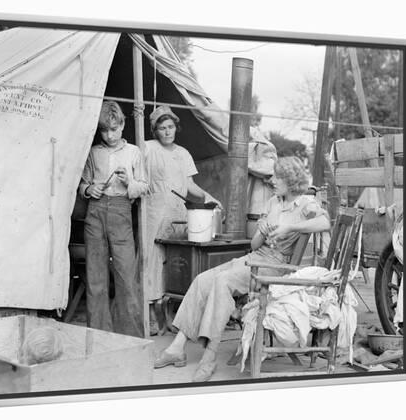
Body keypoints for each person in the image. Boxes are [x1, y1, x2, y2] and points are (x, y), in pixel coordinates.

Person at [153, 156, 331, 382]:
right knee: (202, 279)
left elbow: (325, 223)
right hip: (255, 257)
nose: (272, 180)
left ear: (290, 179)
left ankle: (209, 356)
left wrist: (290, 226)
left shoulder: (306, 204)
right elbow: (255, 245)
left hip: (274, 267)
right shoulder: (274, 202)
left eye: (277, 177)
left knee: (223, 281)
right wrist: (262, 232)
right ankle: (177, 348)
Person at [143, 105, 222, 334]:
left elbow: (189, 186)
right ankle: (149, 315)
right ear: (155, 131)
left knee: (176, 264)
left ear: (175, 128)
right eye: (161, 128)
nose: (167, 132)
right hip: (155, 213)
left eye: (170, 127)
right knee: (152, 261)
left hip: (178, 214)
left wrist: (210, 197)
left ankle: (172, 316)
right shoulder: (148, 148)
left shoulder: (183, 153)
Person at [79, 101, 148, 338]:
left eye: (114, 129)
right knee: (95, 275)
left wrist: (129, 181)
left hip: (121, 211)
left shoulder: (134, 152)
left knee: (126, 275)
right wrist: (90, 190)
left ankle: (129, 337)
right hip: (95, 211)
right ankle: (98, 336)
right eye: (104, 130)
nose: (109, 135)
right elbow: (83, 184)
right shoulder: (93, 152)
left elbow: (144, 186)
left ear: (122, 125)